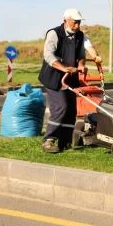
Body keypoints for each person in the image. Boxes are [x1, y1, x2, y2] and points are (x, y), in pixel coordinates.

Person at [38, 8, 87, 153]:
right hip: (53, 78)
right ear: (66, 20)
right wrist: (64, 68)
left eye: (78, 23)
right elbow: (48, 56)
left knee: (71, 110)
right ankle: (49, 140)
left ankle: (65, 141)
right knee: (61, 107)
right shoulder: (54, 33)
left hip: (70, 79)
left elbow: (81, 54)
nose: (77, 26)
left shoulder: (79, 35)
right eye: (74, 23)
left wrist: (81, 65)